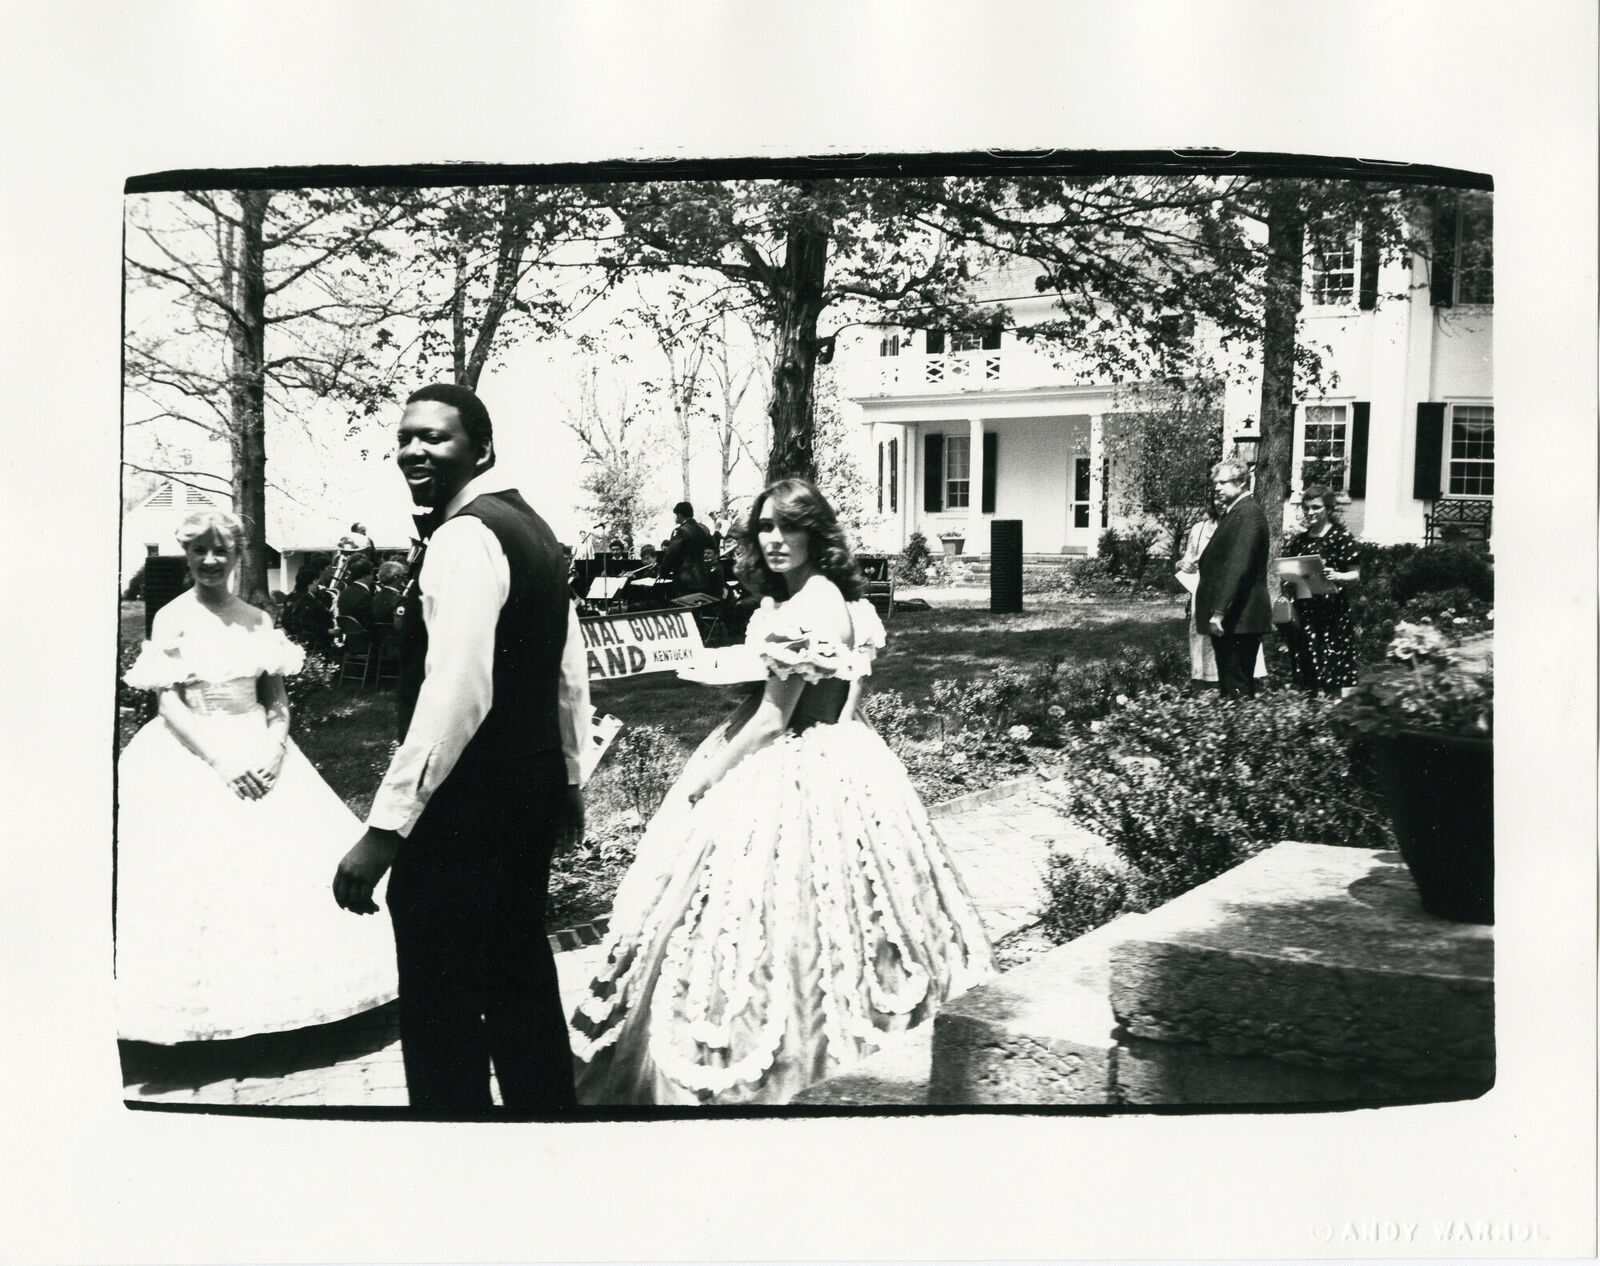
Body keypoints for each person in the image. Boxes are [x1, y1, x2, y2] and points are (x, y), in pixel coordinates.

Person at [569, 477, 995, 1106]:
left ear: (814, 534)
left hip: (795, 761)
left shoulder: (806, 608)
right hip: (842, 753)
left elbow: (773, 718)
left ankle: (794, 1062)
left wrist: (709, 776)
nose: (773, 539)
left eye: (787, 526)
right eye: (764, 527)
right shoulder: (830, 601)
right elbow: (834, 692)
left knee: (780, 907)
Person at [333, 383, 591, 1113]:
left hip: (468, 805)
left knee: (441, 999)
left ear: (481, 449)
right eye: (406, 436)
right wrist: (569, 779)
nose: (414, 449)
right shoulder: (534, 529)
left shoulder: (467, 536)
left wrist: (385, 832)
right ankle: (548, 1127)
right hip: (528, 788)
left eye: (435, 438)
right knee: (517, 976)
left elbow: (456, 691)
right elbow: (567, 670)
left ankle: (451, 1156)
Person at [115, 510, 396, 1043]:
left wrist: (274, 750)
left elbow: (277, 703)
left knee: (279, 866)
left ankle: (293, 1008)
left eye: (221, 550)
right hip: (194, 751)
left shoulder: (258, 621)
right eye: (199, 550)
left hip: (262, 749)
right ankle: (205, 1016)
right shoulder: (172, 617)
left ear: (240, 555)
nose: (210, 561)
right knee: (201, 876)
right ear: (187, 555)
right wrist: (222, 762)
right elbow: (168, 707)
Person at [1196, 457, 1271, 699]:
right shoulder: (1236, 512)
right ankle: (1234, 731)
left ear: (1241, 482)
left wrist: (1219, 612)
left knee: (1237, 688)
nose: (1216, 487)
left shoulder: (1248, 514)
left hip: (1239, 618)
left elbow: (1238, 567)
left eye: (1222, 482)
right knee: (1230, 687)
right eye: (1214, 483)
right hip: (1235, 618)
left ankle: (1242, 734)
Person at [1281, 485, 1361, 696]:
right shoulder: (1299, 541)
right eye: (1307, 508)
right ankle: (1311, 714)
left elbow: (1355, 575)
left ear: (1329, 509)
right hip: (1306, 609)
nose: (1310, 512)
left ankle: (1331, 715)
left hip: (1332, 612)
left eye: (1316, 507)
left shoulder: (1342, 538)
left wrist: (1339, 576)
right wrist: (1289, 579)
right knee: (1308, 665)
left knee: (1332, 667)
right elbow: (1291, 571)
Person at [1178, 502, 1267, 689]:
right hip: (1205, 594)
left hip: (1234, 594)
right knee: (1205, 639)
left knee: (1234, 643)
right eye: (1216, 497)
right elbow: (1188, 558)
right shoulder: (1199, 529)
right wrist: (1182, 564)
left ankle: (1235, 686)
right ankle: (1207, 685)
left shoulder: (1240, 524)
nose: (1221, 502)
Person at [660, 499, 715, 598]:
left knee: (684, 608)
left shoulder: (680, 531)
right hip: (702, 577)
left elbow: (671, 554)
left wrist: (663, 572)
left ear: (679, 515)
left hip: (685, 579)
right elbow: (713, 546)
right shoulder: (704, 529)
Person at [369, 560, 407, 628]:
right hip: (392, 637)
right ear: (396, 577)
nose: (404, 579)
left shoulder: (374, 597)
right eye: (403, 576)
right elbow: (399, 626)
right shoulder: (400, 600)